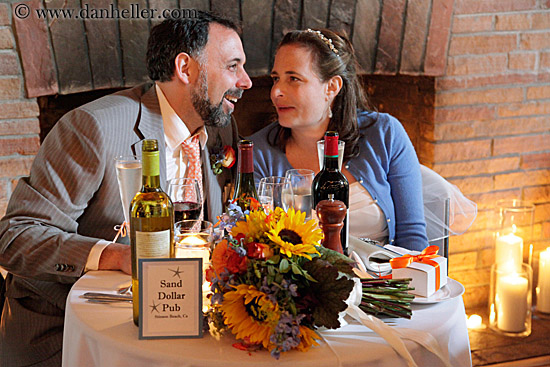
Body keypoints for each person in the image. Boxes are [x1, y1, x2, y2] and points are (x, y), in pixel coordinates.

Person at [0, 12, 251, 366]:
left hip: (175, 316)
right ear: (186, 68)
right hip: (68, 329)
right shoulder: (94, 128)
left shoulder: (219, 126)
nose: (246, 81)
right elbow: (15, 237)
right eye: (233, 66)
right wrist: (116, 256)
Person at [249, 29, 429, 251]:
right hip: (297, 285)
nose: (276, 91)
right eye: (276, 78)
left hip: (384, 280)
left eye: (293, 78)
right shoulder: (257, 153)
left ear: (332, 87)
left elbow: (413, 237)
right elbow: (256, 245)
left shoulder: (384, 134)